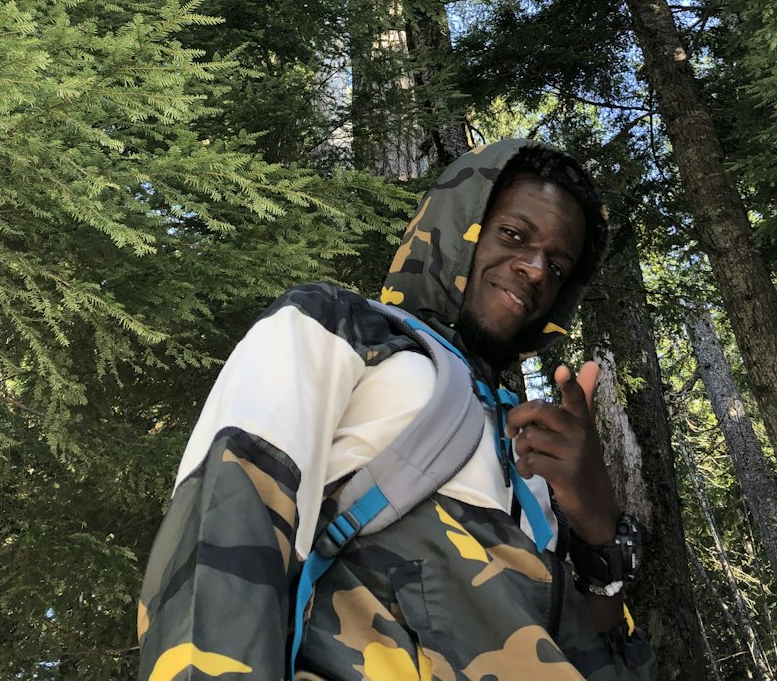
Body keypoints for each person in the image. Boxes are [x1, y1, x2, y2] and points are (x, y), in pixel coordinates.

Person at [137, 138, 657, 680]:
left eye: (556, 267)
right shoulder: (339, 326)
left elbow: (596, 659)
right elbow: (223, 514)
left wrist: (598, 531)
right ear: (460, 226)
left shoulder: (534, 450)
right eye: (514, 235)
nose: (534, 269)